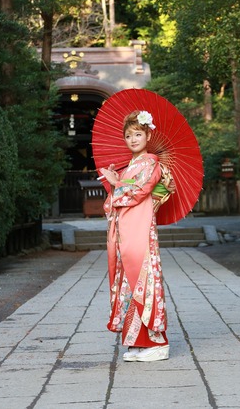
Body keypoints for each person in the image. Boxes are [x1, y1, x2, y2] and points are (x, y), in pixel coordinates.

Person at [100, 110, 172, 362]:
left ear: (148, 135)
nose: (133, 139)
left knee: (145, 280)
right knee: (130, 284)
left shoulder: (151, 163)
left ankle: (158, 342)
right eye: (128, 135)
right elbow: (119, 198)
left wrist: (116, 183)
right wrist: (115, 180)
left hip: (140, 231)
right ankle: (137, 341)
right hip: (127, 230)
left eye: (138, 134)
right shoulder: (131, 165)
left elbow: (139, 192)